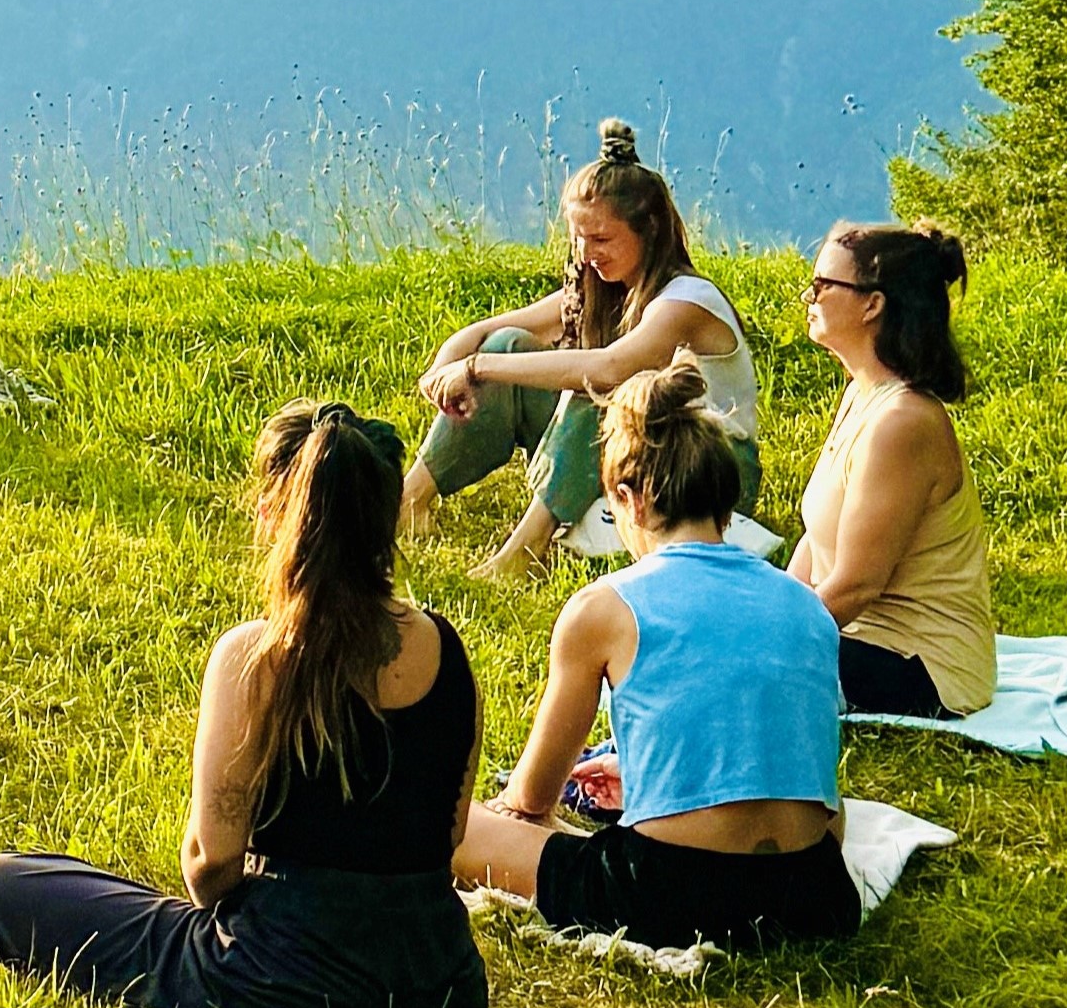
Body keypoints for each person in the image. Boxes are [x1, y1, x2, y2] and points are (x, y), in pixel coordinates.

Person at [0, 404, 554, 1008]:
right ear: (386, 516)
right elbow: (449, 832)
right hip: (438, 974)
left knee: (3, 883)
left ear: (281, 513)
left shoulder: (257, 656)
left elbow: (209, 859)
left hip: (280, 981)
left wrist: (261, 915)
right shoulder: (444, 647)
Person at [454, 359, 860, 951]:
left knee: (449, 824)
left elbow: (530, 798)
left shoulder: (604, 608)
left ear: (629, 499)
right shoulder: (806, 605)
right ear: (725, 503)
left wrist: (529, 809)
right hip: (815, 896)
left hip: (669, 896)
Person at [405, 118, 760, 576]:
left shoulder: (687, 301)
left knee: (598, 389)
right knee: (510, 346)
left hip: (708, 467)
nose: (587, 252)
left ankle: (526, 550)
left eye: (601, 239)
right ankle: (411, 499)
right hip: (643, 451)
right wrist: (452, 361)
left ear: (649, 230)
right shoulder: (604, 287)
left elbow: (610, 368)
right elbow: (497, 331)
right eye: (578, 237)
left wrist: (477, 368)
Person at [788, 224, 992, 719]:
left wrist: (772, 638)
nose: (807, 295)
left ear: (871, 305)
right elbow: (816, 543)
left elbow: (858, 584)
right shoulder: (861, 395)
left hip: (920, 663)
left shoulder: (902, 423)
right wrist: (770, 609)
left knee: (732, 674)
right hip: (860, 636)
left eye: (821, 286)